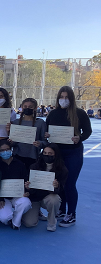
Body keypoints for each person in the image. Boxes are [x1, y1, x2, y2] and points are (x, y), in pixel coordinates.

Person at [45, 86, 91, 227]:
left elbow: (88, 131)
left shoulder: (79, 113)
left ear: (71, 99)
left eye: (66, 97)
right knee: (59, 182)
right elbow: (47, 131)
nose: (64, 100)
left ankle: (71, 214)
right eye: (61, 97)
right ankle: (61, 209)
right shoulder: (53, 114)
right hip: (57, 154)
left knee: (69, 183)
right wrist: (46, 135)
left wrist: (80, 138)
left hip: (73, 153)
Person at [22, 144, 68, 232]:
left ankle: (51, 221)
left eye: (50, 153)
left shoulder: (62, 169)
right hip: (35, 198)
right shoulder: (34, 166)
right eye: (45, 153)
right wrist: (28, 187)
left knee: (54, 200)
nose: (47, 155)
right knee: (29, 223)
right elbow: (30, 187)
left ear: (56, 155)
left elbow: (61, 189)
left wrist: (56, 186)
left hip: (48, 197)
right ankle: (37, 212)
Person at [0, 140, 32, 230]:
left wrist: (27, 190)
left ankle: (16, 222)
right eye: (2, 150)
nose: (5, 152)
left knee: (26, 202)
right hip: (3, 198)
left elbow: (25, 180)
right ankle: (8, 216)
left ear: (11, 150)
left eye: (7, 149)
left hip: (17, 195)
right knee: (4, 218)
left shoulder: (20, 164)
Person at [10, 98, 47, 169]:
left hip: (33, 157)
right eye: (25, 106)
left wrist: (39, 143)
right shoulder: (16, 122)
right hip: (17, 156)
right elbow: (13, 142)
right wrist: (11, 142)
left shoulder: (40, 123)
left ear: (35, 108)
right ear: (22, 107)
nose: (27, 108)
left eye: (30, 107)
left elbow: (45, 142)